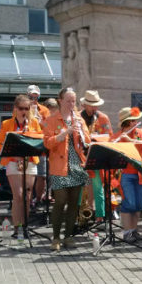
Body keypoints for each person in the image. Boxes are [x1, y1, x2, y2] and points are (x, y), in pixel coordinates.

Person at [43, 87, 91, 251]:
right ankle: (56, 237)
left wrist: (82, 134)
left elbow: (87, 142)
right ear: (60, 101)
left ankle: (69, 236)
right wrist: (63, 134)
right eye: (68, 100)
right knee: (60, 201)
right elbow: (47, 143)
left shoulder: (79, 119)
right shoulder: (51, 120)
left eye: (73, 101)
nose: (72, 104)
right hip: (59, 166)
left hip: (77, 165)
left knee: (73, 203)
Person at [0, 95, 42, 239]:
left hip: (29, 161)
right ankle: (17, 228)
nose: (24, 111)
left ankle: (25, 226)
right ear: (15, 109)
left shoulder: (34, 122)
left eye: (26, 108)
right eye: (21, 108)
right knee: (19, 195)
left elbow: (40, 141)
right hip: (13, 161)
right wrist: (15, 157)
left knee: (28, 196)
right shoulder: (7, 124)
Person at [112, 107, 142, 242]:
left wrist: (129, 140)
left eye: (135, 121)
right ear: (126, 123)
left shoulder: (140, 132)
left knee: (139, 204)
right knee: (129, 203)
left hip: (141, 172)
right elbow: (112, 151)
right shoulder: (117, 136)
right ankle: (127, 232)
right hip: (126, 174)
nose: (135, 123)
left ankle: (134, 231)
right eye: (132, 121)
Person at [79, 90, 113, 224]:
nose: (95, 108)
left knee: (98, 187)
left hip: (97, 155)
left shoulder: (103, 117)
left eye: (96, 105)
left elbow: (109, 136)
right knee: (81, 188)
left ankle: (100, 217)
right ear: (84, 105)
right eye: (92, 105)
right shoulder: (77, 118)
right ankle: (81, 217)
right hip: (81, 155)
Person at [27, 85, 50, 208]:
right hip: (27, 145)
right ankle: (28, 200)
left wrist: (41, 121)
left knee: (42, 174)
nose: (34, 99)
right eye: (31, 96)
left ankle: (38, 199)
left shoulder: (44, 110)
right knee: (29, 174)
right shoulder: (21, 108)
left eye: (36, 97)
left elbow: (49, 127)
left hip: (40, 145)